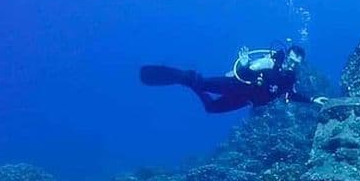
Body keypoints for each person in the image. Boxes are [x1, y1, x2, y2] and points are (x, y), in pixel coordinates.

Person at [140, 45, 327, 113]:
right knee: (202, 83)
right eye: (291, 60)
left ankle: (188, 81)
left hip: (245, 99)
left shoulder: (289, 78)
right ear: (286, 56)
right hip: (234, 84)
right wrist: (247, 64)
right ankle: (186, 77)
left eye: (297, 63)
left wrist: (312, 100)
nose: (292, 65)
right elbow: (244, 74)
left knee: (211, 108)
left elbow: (290, 95)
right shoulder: (269, 63)